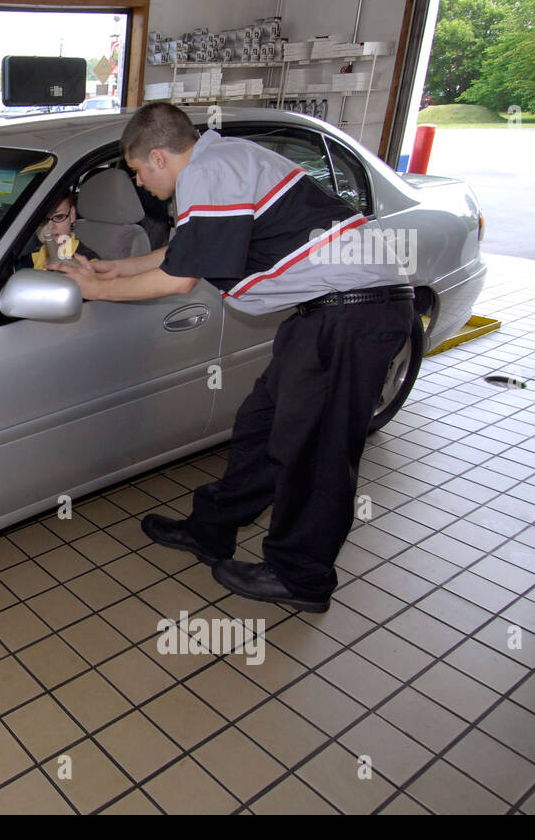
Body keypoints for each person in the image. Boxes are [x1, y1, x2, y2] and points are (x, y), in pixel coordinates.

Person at [51, 103, 414, 612]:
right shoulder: (218, 165)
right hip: (327, 315)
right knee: (260, 428)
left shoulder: (207, 172)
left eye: (136, 170)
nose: (137, 182)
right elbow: (185, 251)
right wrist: (113, 269)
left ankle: (301, 576)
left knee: (316, 452)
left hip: (353, 316)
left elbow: (180, 279)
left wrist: (96, 292)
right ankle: (211, 529)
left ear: (158, 156)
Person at [16, 188, 99, 271]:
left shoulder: (90, 263)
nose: (51, 227)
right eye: (42, 220)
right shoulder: (30, 258)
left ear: (72, 215)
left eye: (59, 217)